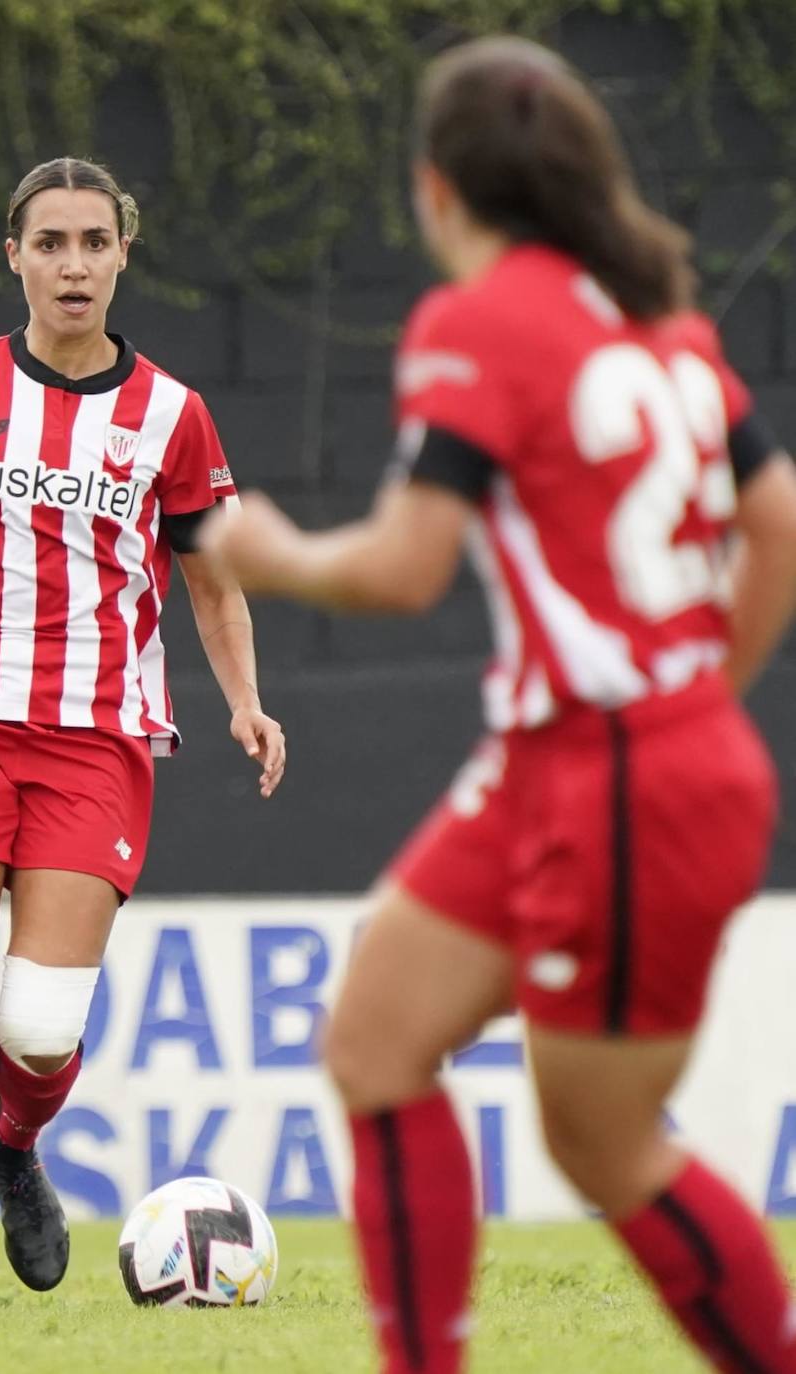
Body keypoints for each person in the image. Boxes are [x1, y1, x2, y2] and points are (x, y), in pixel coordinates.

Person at [209, 35, 796, 1374]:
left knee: (600, 1138)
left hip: (621, 774)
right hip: (577, 757)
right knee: (373, 1040)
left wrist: (271, 551)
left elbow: (404, 568)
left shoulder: (477, 321)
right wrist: (701, 696)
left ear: (435, 188)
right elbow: (775, 520)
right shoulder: (655, 321)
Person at [0, 156, 286, 1313]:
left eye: (94, 242)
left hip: (97, 738)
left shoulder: (174, 415)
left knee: (37, 1032)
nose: (73, 264)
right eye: (52, 244)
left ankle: (14, 1140)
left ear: (122, 254)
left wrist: (242, 698)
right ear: (16, 257)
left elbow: (214, 584)